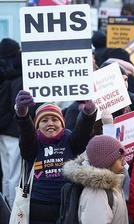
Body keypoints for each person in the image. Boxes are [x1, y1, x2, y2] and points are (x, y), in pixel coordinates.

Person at [14, 90, 97, 224]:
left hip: (68, 205)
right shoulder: (33, 141)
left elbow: (83, 132)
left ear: (62, 123)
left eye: (55, 119)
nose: (50, 123)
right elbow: (26, 133)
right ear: (37, 126)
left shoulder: (69, 138)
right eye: (44, 121)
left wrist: (88, 114)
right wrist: (22, 115)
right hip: (38, 206)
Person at [63, 135, 128, 224]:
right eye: (120, 159)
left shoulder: (113, 183)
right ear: (106, 162)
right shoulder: (97, 193)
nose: (124, 163)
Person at [0, 38, 23, 207]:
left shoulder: (3, 73)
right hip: (14, 130)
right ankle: (14, 210)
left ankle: (6, 208)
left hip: (2, 130)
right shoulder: (18, 75)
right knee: (15, 173)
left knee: (7, 172)